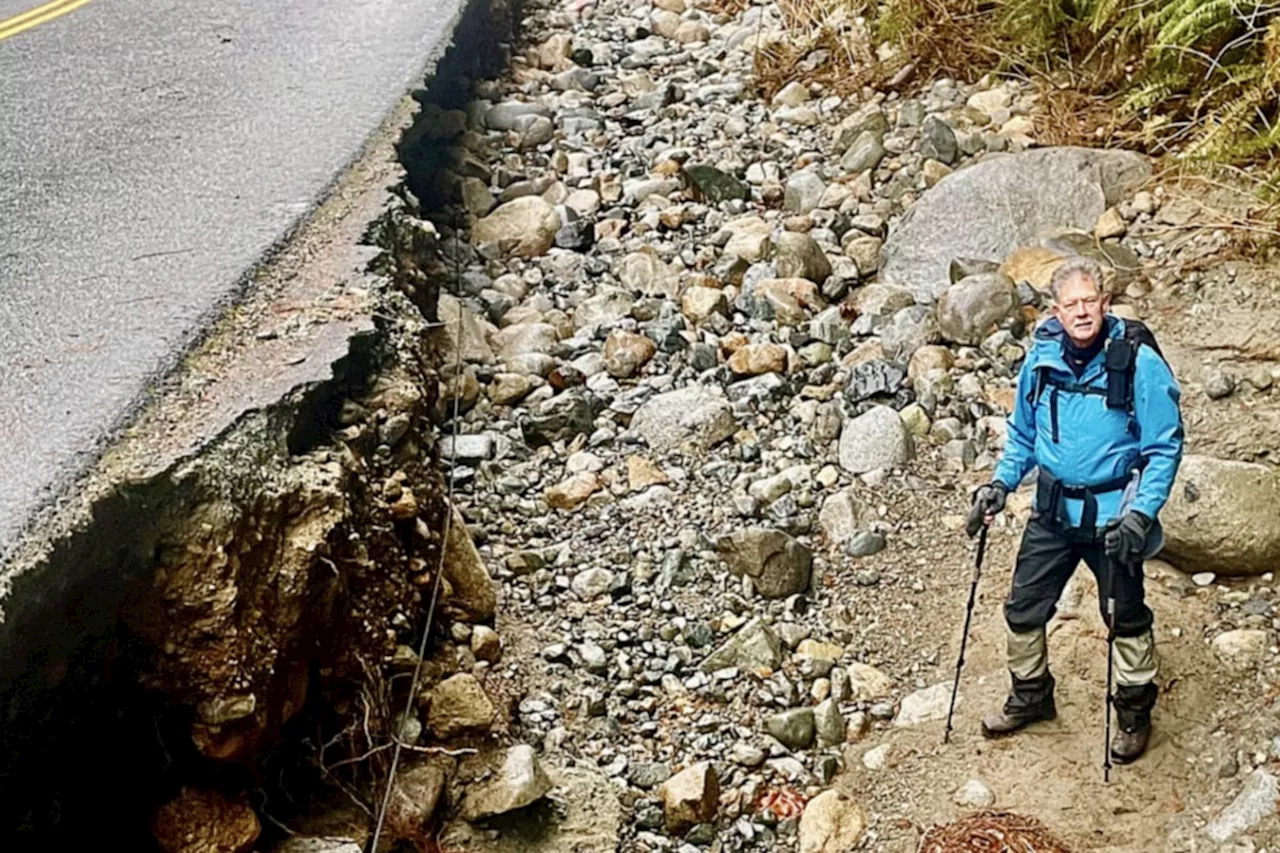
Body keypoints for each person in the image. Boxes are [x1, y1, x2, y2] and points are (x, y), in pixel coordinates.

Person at [968, 255, 1183, 763]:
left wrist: (1142, 514)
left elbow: (1164, 446)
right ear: (1056, 311)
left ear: (1105, 304)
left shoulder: (1137, 362)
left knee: (1126, 619)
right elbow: (1022, 434)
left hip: (1115, 516)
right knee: (1023, 610)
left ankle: (1133, 713)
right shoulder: (1040, 359)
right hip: (1053, 513)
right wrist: (999, 484)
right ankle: (1031, 696)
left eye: (1091, 301)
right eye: (1072, 304)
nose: (1082, 312)